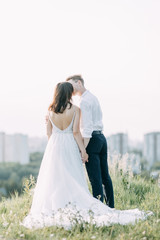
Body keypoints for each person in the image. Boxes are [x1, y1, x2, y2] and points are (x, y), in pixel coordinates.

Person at [21, 82, 151, 230]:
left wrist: (54, 145)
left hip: (54, 146)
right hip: (70, 144)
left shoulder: (50, 111)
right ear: (70, 93)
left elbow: (48, 133)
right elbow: (76, 132)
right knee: (73, 175)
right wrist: (83, 150)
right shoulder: (75, 109)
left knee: (55, 177)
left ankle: (58, 204)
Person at [66, 75, 114, 208]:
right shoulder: (93, 97)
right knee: (105, 177)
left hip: (91, 139)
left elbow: (87, 128)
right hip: (101, 138)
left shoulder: (84, 102)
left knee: (95, 179)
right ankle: (110, 207)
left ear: (79, 83)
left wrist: (83, 150)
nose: (71, 89)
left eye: (72, 85)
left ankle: (99, 209)